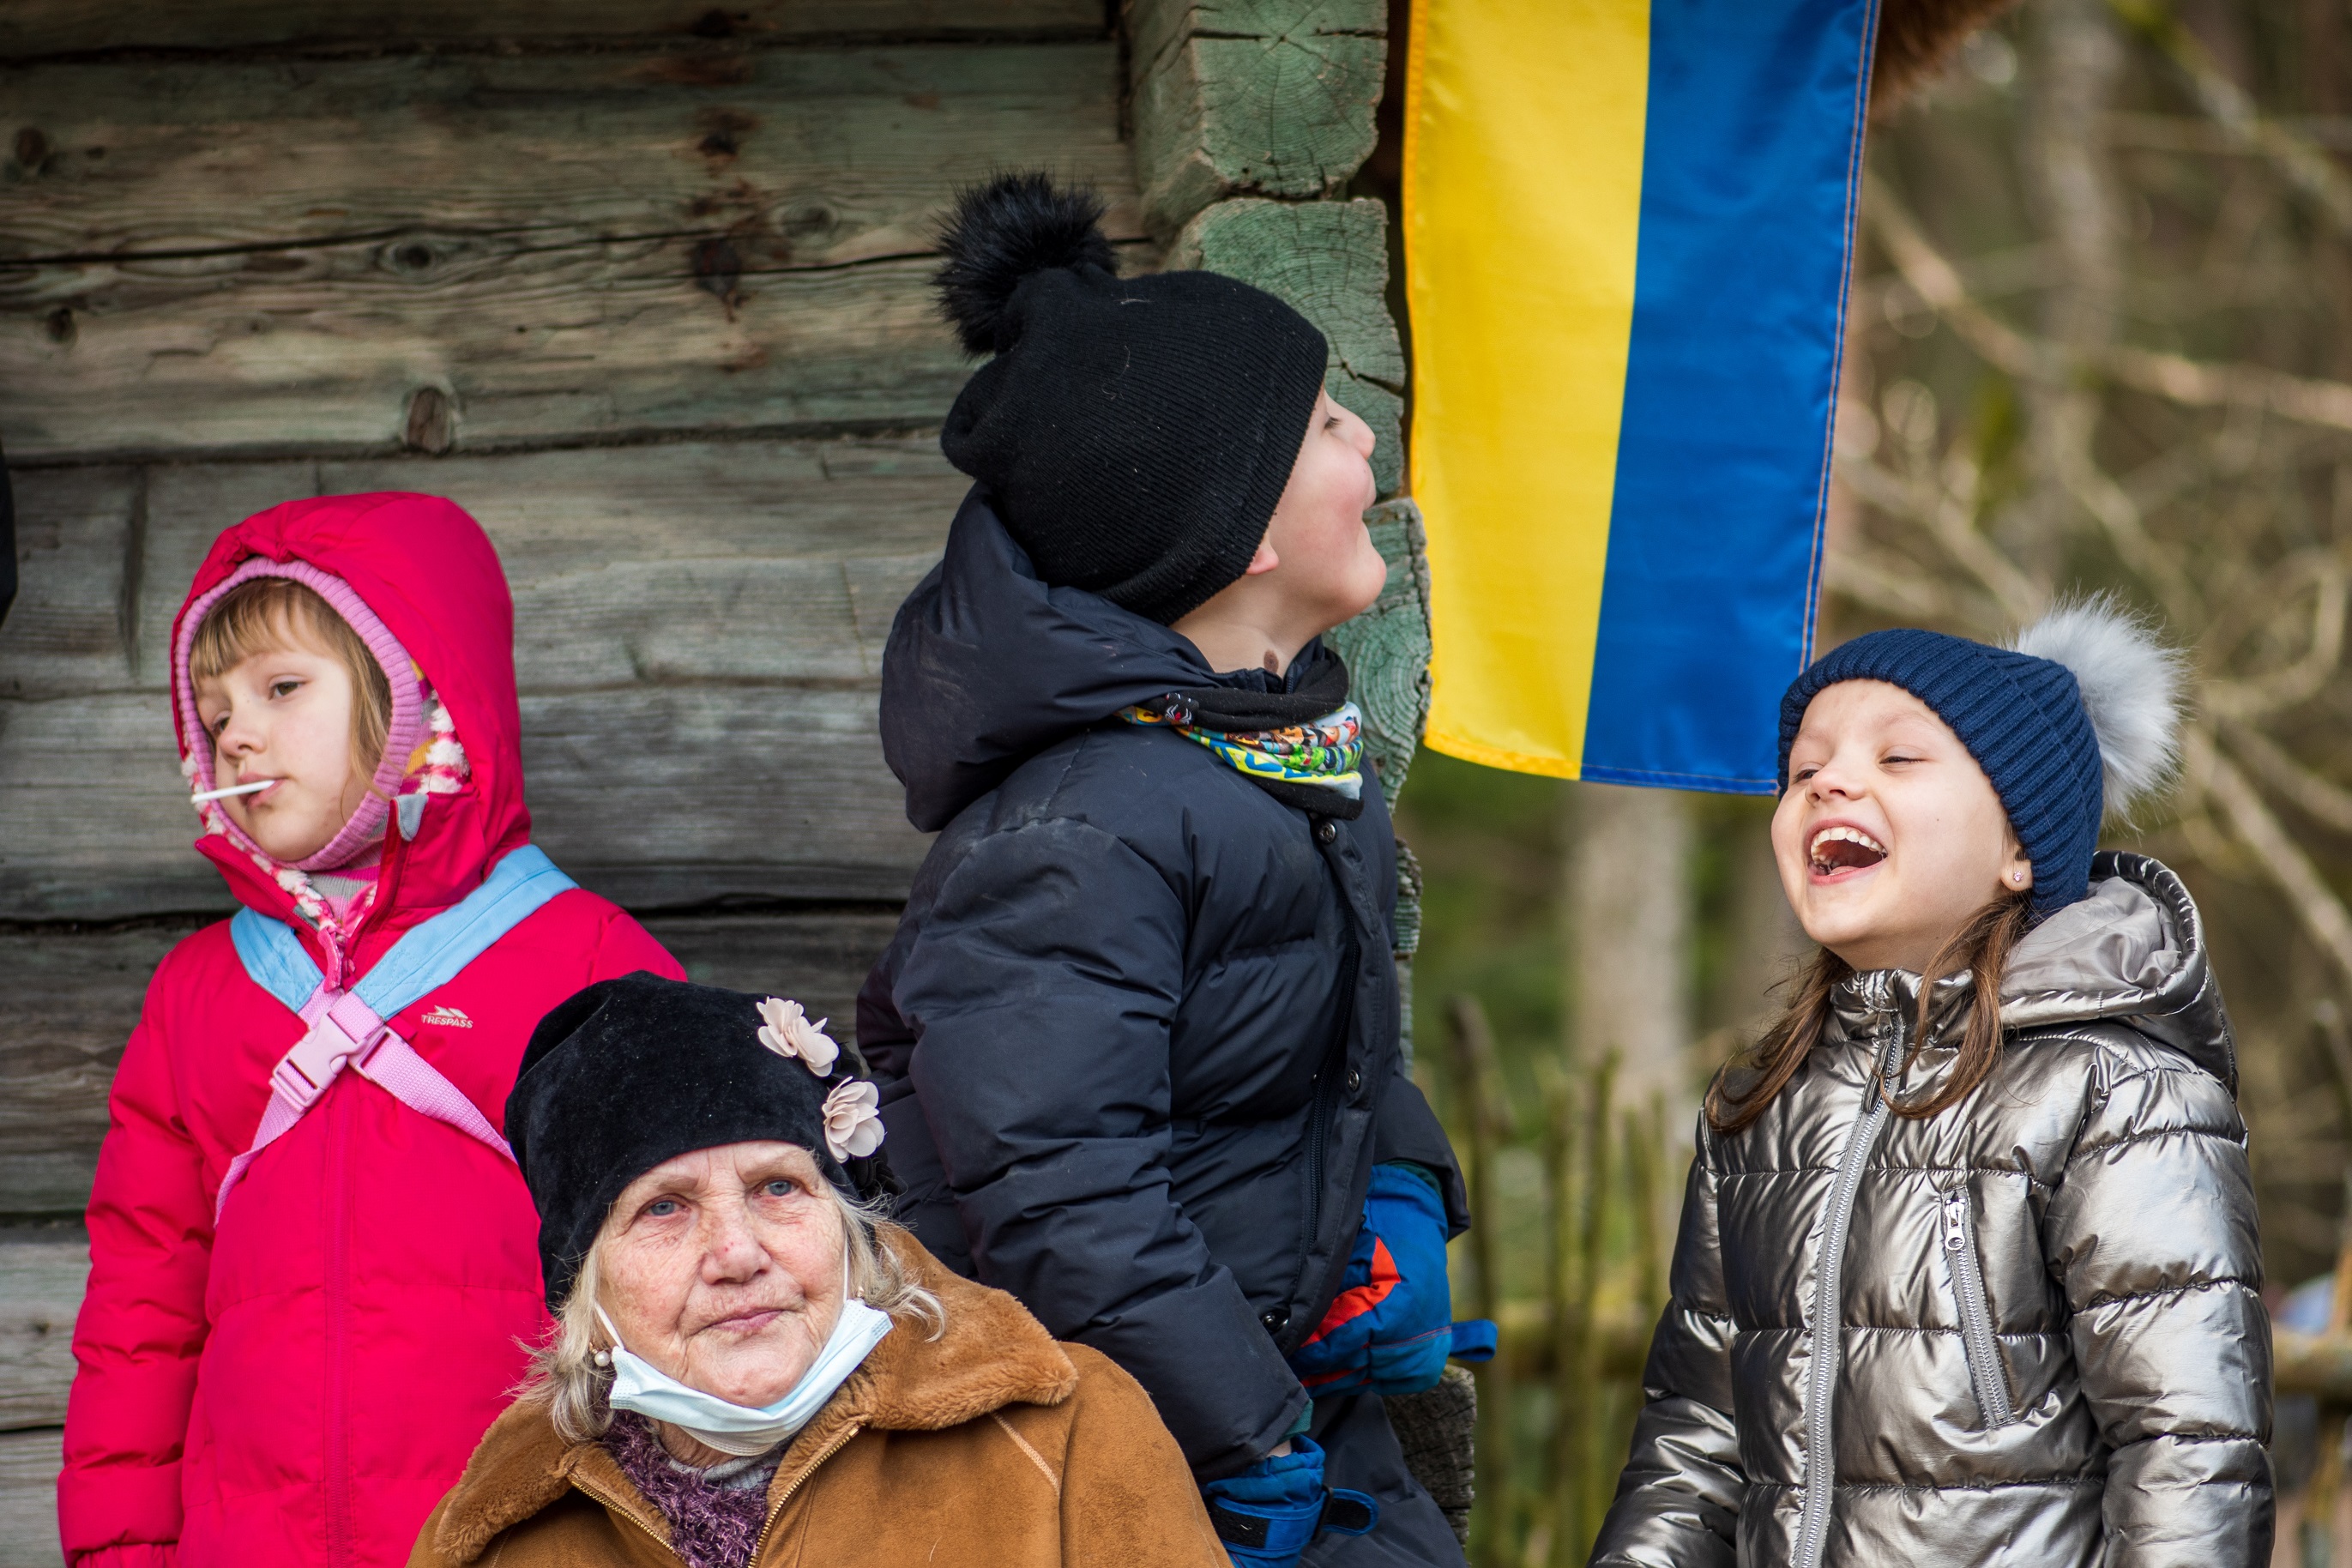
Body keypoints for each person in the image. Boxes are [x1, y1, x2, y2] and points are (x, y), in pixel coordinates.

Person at [857, 172, 1480, 1568]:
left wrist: (1398, 1192)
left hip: (1298, 1407)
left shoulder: (1284, 763)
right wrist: (1247, 1432)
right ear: (1240, 532)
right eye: (1326, 422)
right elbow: (1058, 1194)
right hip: (1134, 1459)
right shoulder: (1080, 833)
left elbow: (1341, 1044)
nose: (1365, 428)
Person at [60, 494, 686, 1568]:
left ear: (419, 699)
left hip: (531, 1537)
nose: (237, 734)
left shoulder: (588, 960)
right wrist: (121, 1554)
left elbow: (690, 1278)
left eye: (283, 688)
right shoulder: (197, 995)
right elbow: (140, 1313)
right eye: (213, 717)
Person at [1589, 601, 2273, 1567]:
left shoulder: (2118, 1096)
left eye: (1898, 758)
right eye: (1803, 770)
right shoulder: (1759, 1107)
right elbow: (1694, 1442)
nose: (1831, 780)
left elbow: (2187, 1454)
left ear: (2020, 848)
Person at [409, 972, 1227, 1568]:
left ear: (850, 1230)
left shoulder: (1071, 1435)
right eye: (664, 1207)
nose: (737, 1253)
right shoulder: (494, 1538)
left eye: (778, 1187)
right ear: (589, 1292)